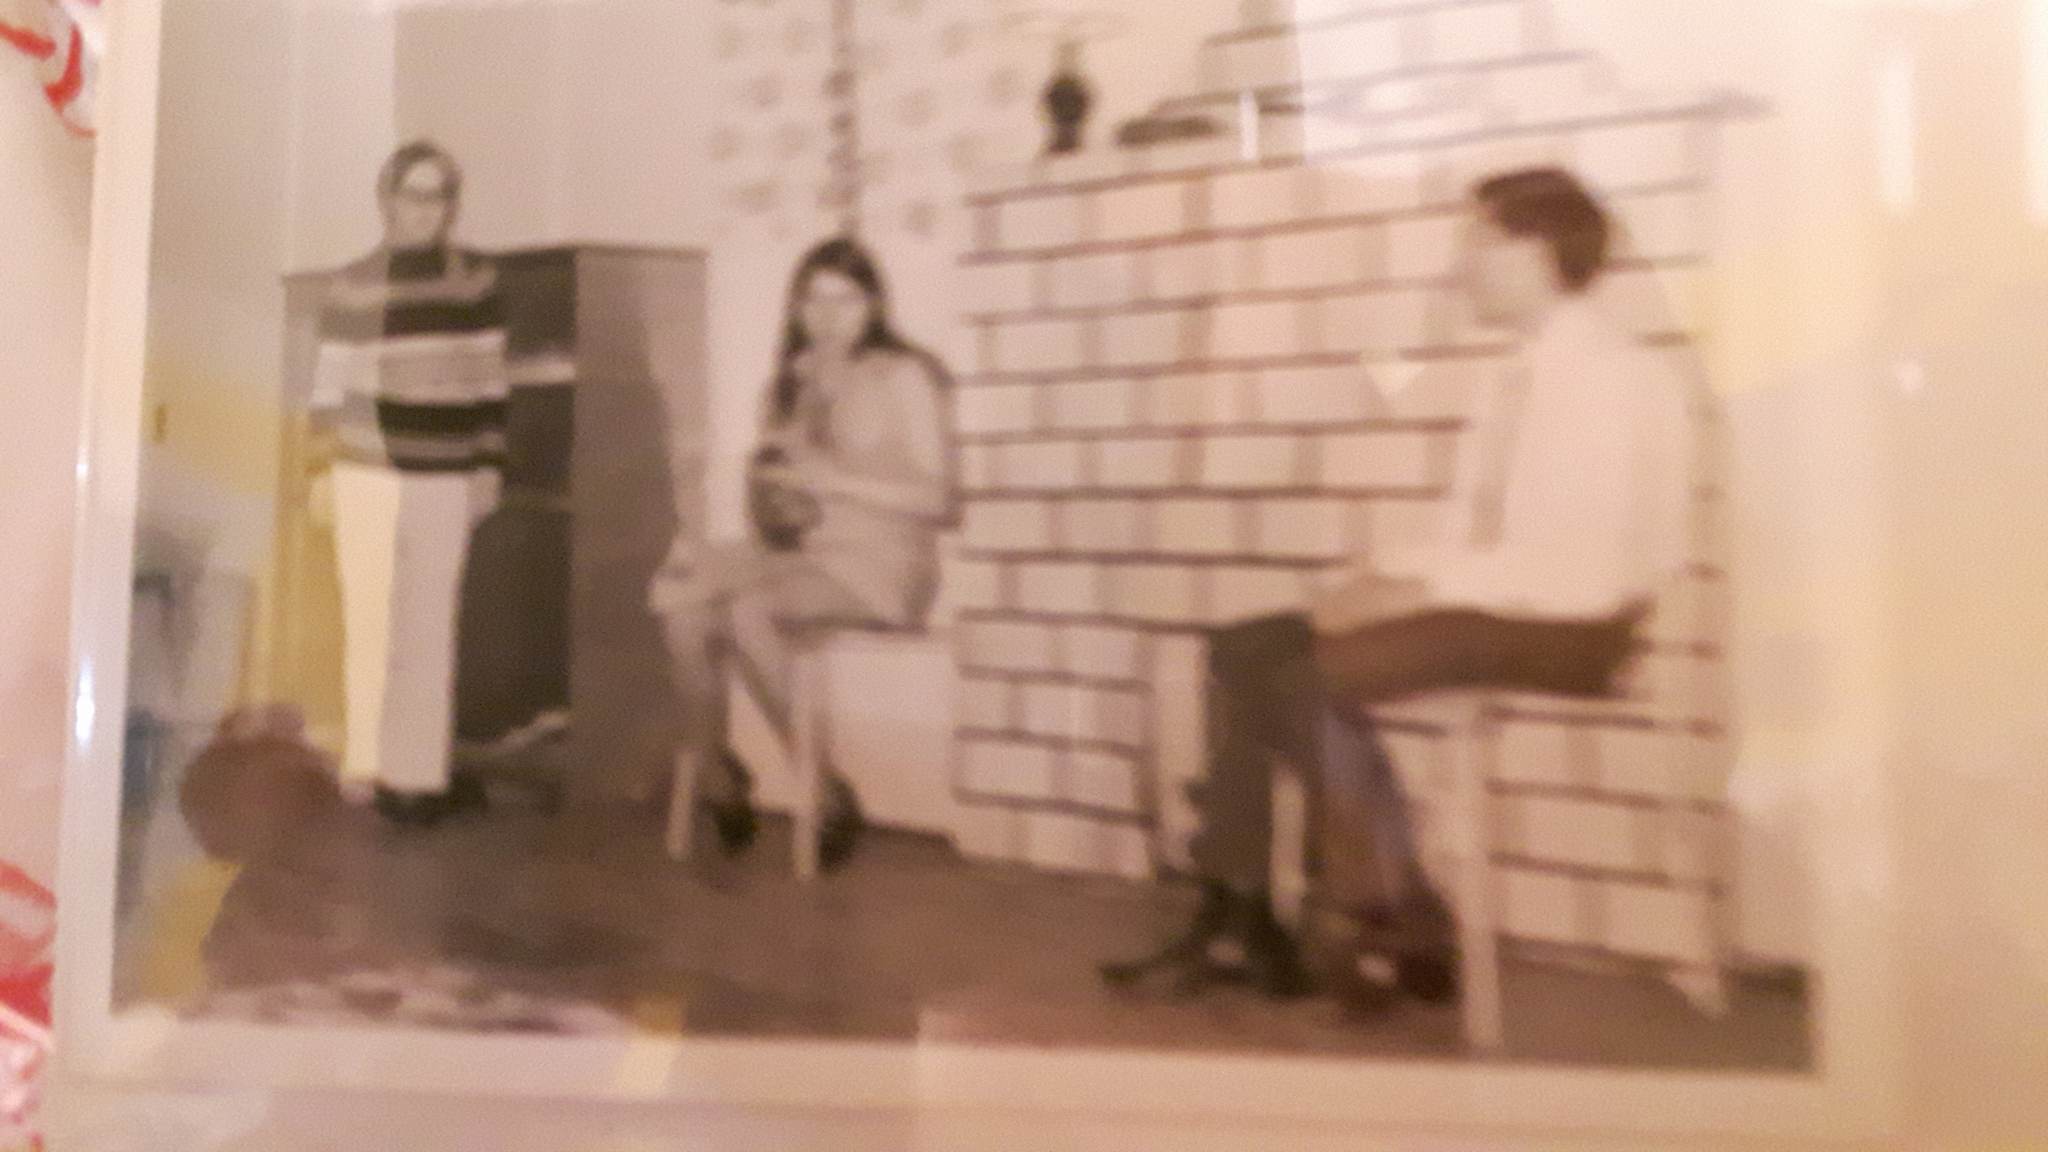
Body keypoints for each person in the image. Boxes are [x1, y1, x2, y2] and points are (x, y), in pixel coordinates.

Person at [1103, 167, 1693, 1006]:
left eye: (1478, 241)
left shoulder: (1610, 379)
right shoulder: (1512, 375)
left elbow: (1577, 570)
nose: (1462, 264)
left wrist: (1415, 592)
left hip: (1581, 626)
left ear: (1536, 250)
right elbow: (1478, 537)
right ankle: (1241, 916)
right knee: (1243, 648)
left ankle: (1385, 914)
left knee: (1308, 673)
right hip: (1508, 602)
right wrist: (1386, 574)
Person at [649, 237, 959, 869]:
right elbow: (780, 511)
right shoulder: (788, 384)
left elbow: (938, 499)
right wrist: (719, 512)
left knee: (746, 609)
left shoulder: (906, 375)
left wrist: (829, 480)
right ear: (795, 307)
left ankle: (821, 791)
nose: (827, 314)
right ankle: (716, 773)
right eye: (812, 298)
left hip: (881, 566)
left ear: (873, 305)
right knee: (678, 595)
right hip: (803, 561)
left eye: (844, 299)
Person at [307, 141, 510, 828]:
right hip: (366, 472)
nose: (426, 211)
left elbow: (490, 382)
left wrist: (488, 466)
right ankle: (365, 764)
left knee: (428, 626)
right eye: (413, 195)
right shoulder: (352, 284)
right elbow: (328, 388)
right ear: (386, 198)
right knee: (369, 618)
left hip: (447, 475)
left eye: (439, 197)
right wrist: (320, 474)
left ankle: (416, 780)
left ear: (451, 207)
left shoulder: (475, 283)